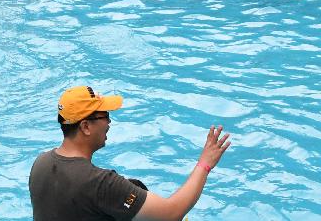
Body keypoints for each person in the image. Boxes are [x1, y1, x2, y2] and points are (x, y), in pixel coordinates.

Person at [29, 85, 231, 221]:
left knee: (135, 188)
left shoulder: (40, 164)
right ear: (85, 126)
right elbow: (172, 214)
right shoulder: (101, 183)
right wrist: (204, 164)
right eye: (105, 116)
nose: (109, 122)